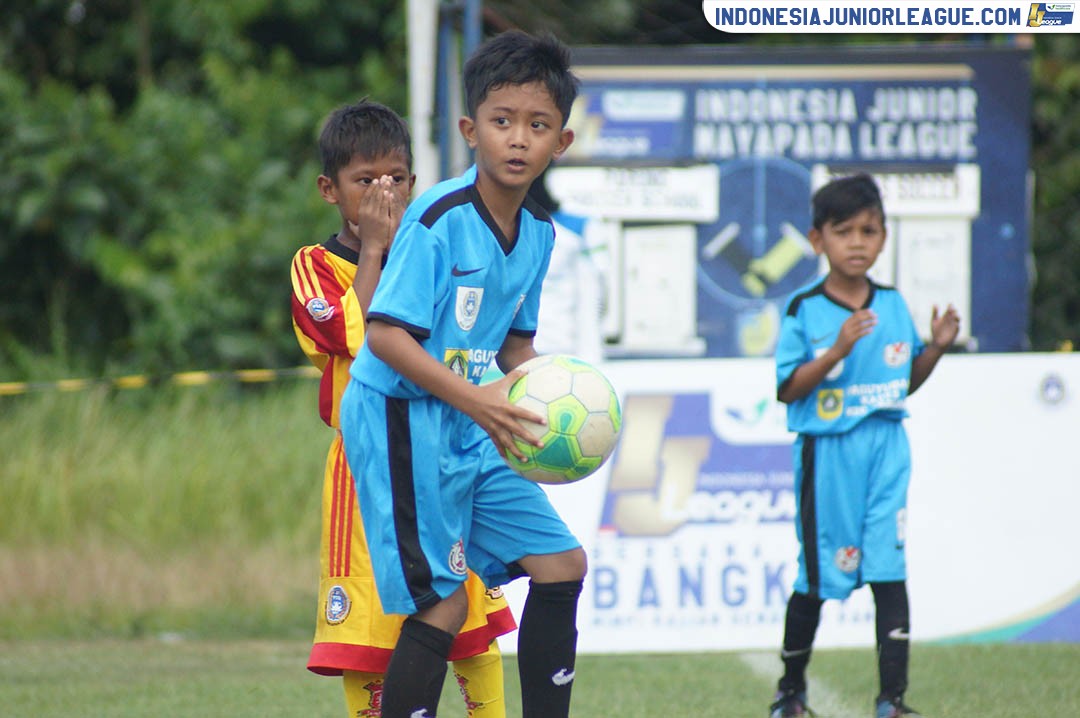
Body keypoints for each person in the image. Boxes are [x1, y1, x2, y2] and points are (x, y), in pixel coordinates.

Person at [338, 31, 585, 718]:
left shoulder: (538, 232)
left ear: (559, 143)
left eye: (537, 126)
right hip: (399, 417)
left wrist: (565, 407)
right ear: (471, 131)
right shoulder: (439, 219)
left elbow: (515, 349)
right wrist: (481, 402)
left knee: (562, 566)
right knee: (442, 604)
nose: (518, 139)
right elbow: (384, 336)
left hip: (470, 422)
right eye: (502, 121)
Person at [290, 99, 516, 718]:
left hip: (443, 453)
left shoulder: (434, 249)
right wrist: (373, 254)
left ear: (414, 183)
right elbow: (357, 341)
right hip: (367, 465)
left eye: (396, 180)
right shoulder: (313, 266)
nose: (382, 195)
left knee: (465, 613)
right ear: (329, 189)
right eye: (366, 182)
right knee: (371, 633)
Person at [769, 173, 960, 718]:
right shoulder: (805, 309)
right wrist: (834, 352)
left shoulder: (895, 304)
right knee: (816, 578)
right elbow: (787, 389)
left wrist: (938, 349)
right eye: (844, 230)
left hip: (886, 447)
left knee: (888, 569)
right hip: (827, 453)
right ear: (817, 240)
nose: (858, 242)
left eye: (870, 231)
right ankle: (790, 693)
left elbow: (903, 380)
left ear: (884, 238)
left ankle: (891, 701)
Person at [527, 167, 608, 363]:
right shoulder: (486, 227)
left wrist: (591, 361)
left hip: (559, 353)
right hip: (496, 360)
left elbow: (594, 297)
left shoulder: (580, 227)